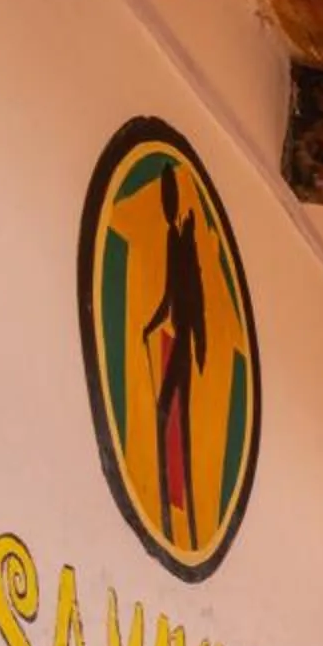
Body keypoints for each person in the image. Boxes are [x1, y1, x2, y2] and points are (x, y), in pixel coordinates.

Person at [138, 165, 208, 551]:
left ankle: (182, 518)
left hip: (181, 343)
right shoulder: (175, 236)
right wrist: (150, 328)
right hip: (180, 340)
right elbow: (172, 296)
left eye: (167, 197)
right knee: (170, 418)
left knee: (170, 417)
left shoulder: (181, 238)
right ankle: (181, 519)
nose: (166, 203)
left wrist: (198, 346)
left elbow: (184, 295)